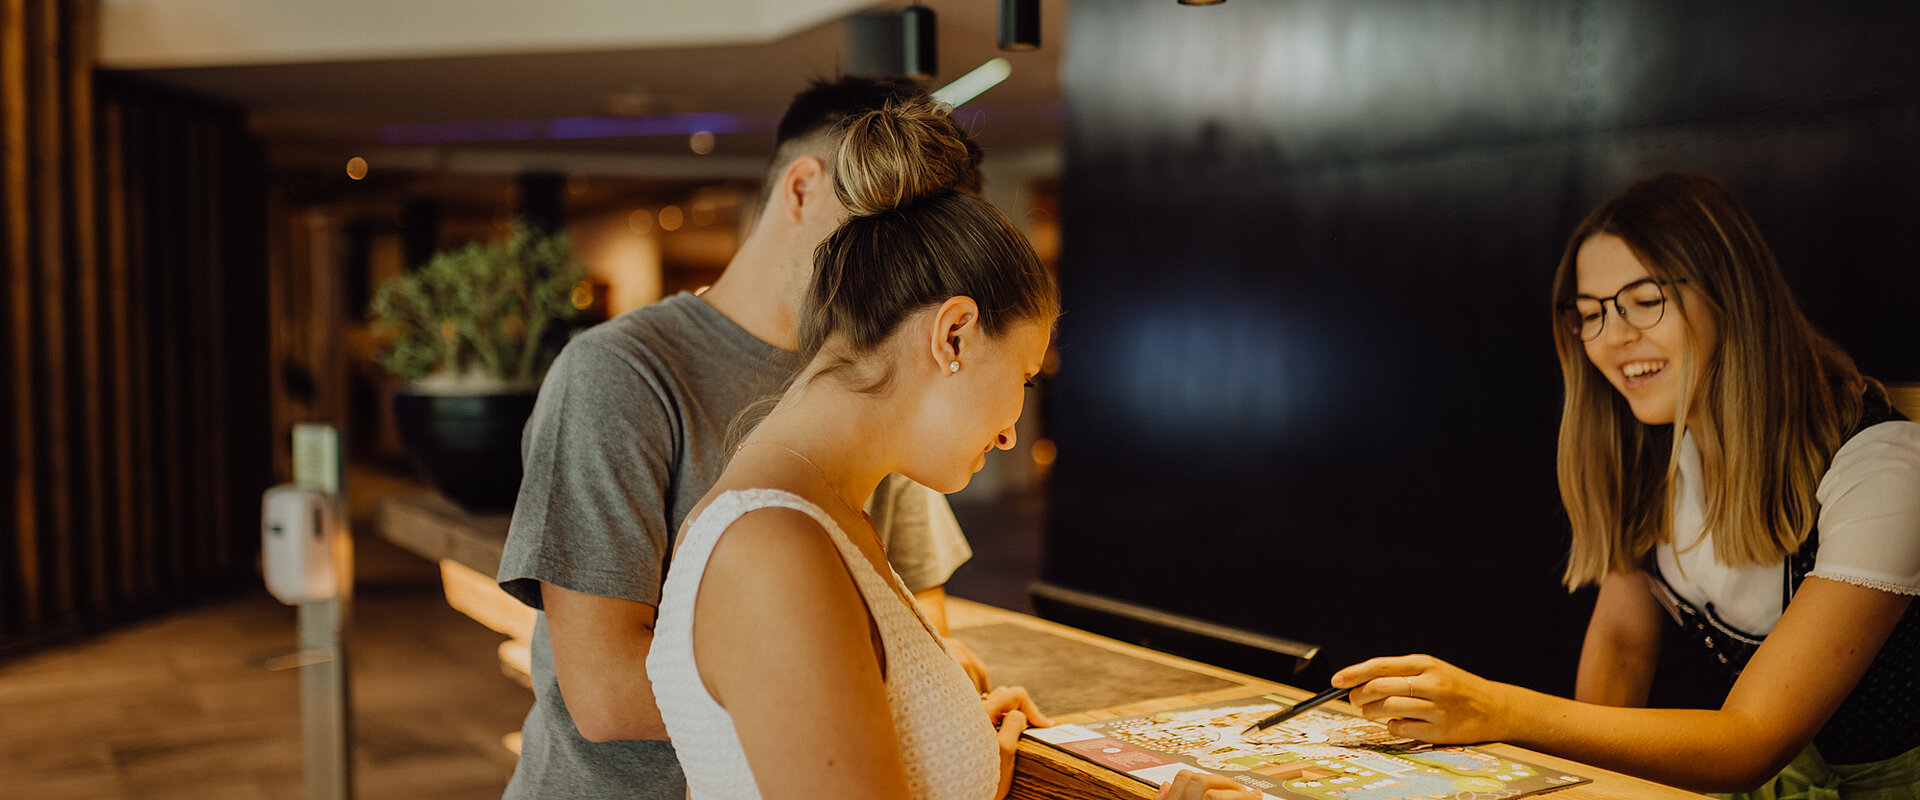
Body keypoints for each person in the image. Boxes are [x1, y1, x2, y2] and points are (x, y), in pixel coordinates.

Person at [1160, 173, 1920, 800]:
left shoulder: (1883, 468)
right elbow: (1622, 645)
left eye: (1643, 300)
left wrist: (1495, 710)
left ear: (1731, 292)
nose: (1612, 338)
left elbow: (1750, 742)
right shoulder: (1644, 454)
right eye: (1589, 314)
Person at [495, 76, 992, 799]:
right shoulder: (619, 373)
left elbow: (919, 631)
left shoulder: (879, 378)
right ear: (800, 189)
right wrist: (866, 699)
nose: (899, 262)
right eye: (880, 224)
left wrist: (953, 716)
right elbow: (603, 691)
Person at [646, 98, 1058, 799]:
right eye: (1021, 375)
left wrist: (956, 754)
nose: (1012, 430)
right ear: (952, 334)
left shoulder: (823, 516)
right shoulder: (775, 546)